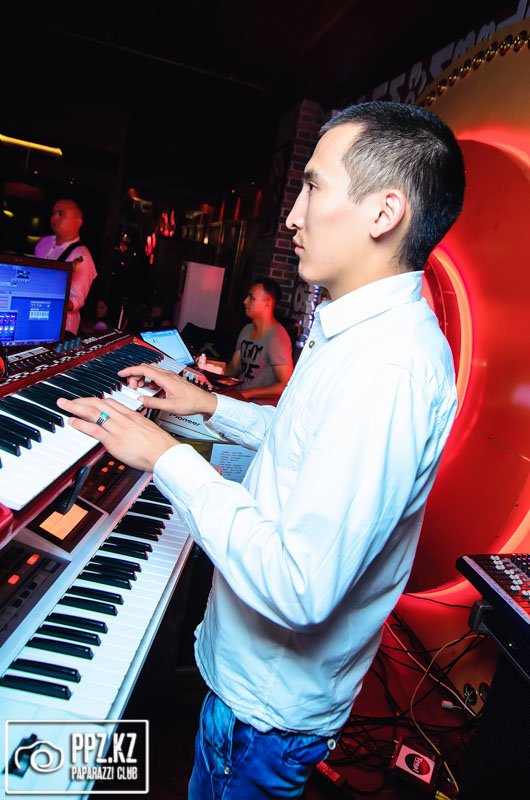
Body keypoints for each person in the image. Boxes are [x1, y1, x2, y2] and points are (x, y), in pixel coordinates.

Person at [57, 101, 465, 799]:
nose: (292, 217)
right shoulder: (356, 335)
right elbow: (308, 447)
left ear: (384, 211)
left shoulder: (388, 367)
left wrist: (163, 456)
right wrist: (208, 407)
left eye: (313, 186)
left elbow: (300, 587)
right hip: (249, 687)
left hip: (264, 714)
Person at [35, 198, 97, 336]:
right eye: (53, 213)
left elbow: (76, 301)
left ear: (78, 222)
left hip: (61, 328)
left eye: (61, 214)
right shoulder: (43, 243)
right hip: (35, 319)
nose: (54, 217)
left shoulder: (82, 255)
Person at [224, 278, 294, 400]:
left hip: (258, 407)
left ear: (267, 303)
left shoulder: (278, 338)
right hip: (240, 399)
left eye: (252, 298)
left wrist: (246, 394)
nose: (245, 301)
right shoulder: (247, 329)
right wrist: (205, 365)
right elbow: (233, 368)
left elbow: (285, 386)